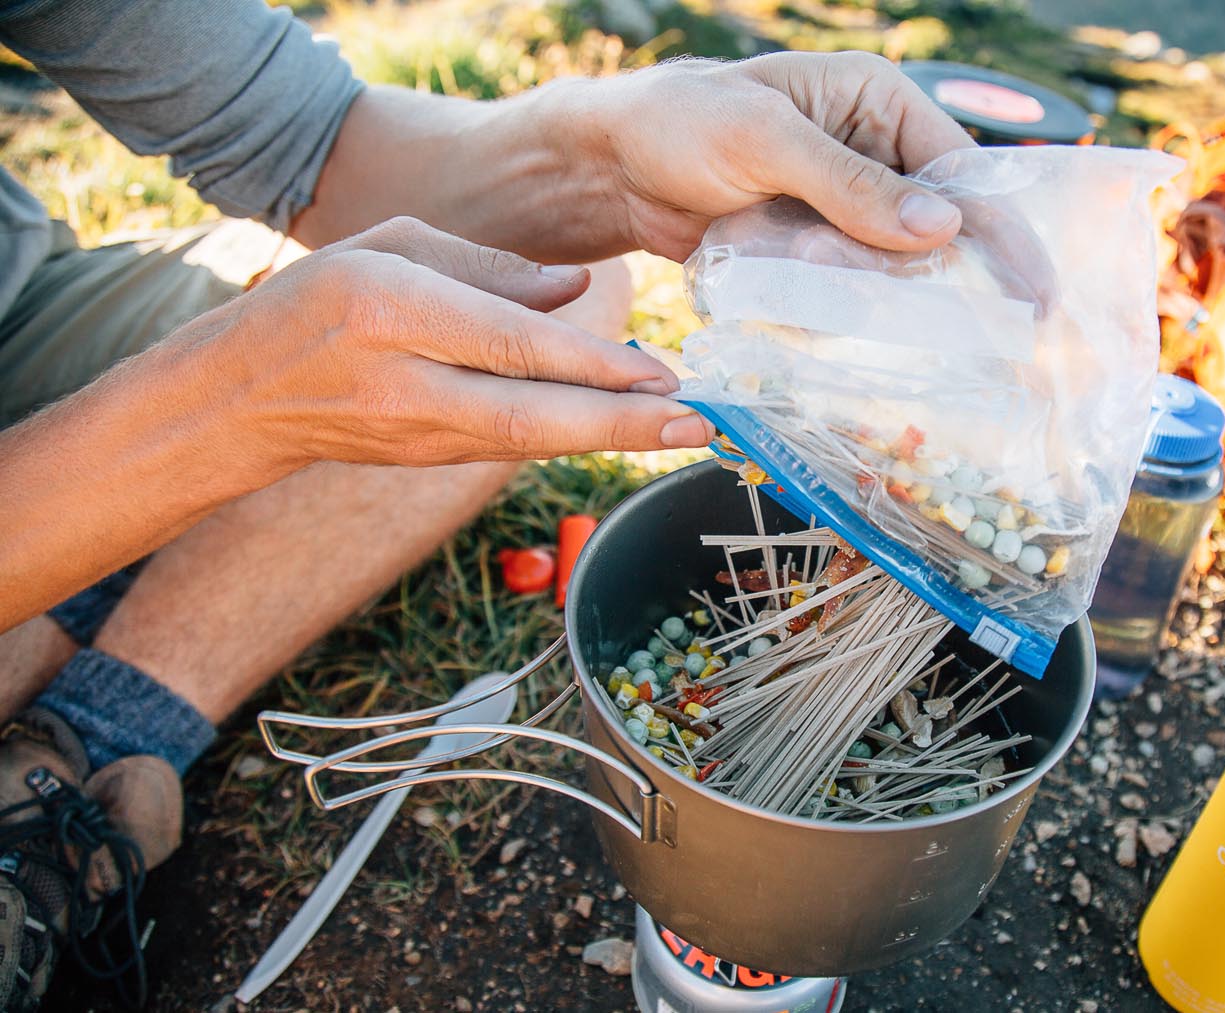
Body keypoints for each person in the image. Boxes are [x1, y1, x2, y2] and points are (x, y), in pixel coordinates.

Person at [0, 0, 972, 1005]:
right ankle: (75, 721)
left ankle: (91, 725)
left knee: (558, 289)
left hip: (28, 308)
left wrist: (610, 151)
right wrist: (233, 406)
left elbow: (309, 140)